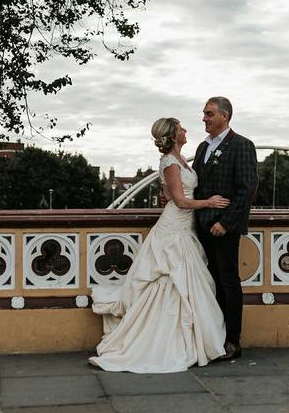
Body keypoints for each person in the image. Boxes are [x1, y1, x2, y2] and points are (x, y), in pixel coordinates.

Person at [89, 117, 230, 373]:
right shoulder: (171, 163)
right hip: (173, 229)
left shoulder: (181, 159)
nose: (186, 130)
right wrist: (210, 203)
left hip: (184, 228)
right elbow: (180, 201)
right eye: (181, 128)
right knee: (169, 281)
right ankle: (161, 341)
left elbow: (168, 195)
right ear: (175, 135)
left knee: (182, 283)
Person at [193, 96, 258, 361]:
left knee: (228, 282)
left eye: (209, 114)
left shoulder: (242, 145)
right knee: (208, 282)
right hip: (200, 226)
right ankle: (214, 337)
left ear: (225, 116)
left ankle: (233, 341)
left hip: (224, 228)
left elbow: (247, 188)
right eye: (204, 114)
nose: (204, 119)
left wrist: (226, 222)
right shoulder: (202, 147)